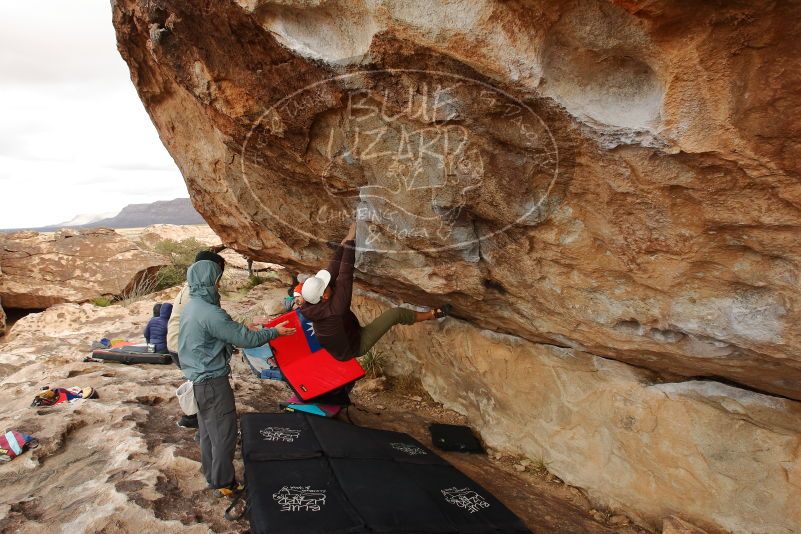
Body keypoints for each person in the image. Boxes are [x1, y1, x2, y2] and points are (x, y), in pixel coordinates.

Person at [178, 257, 296, 497]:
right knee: (224, 433)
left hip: (198, 381)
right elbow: (244, 340)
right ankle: (224, 483)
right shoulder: (210, 312)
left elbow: (221, 331)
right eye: (217, 280)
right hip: (212, 383)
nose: (219, 285)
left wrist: (244, 326)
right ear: (210, 281)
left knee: (209, 432)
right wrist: (275, 332)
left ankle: (212, 474)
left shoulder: (193, 306)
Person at [301, 222, 451, 361]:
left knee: (335, 282)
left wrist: (347, 237)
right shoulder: (336, 309)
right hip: (354, 346)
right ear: (325, 296)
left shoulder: (312, 300)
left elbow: (332, 268)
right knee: (395, 314)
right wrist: (351, 239)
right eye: (327, 286)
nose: (329, 284)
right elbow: (345, 274)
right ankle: (432, 314)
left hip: (346, 333)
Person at [167, 250, 228, 429]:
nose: (219, 282)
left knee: (197, 382)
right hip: (184, 346)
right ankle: (193, 419)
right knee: (201, 383)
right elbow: (213, 322)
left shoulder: (192, 288)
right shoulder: (198, 294)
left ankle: (195, 418)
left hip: (177, 343)